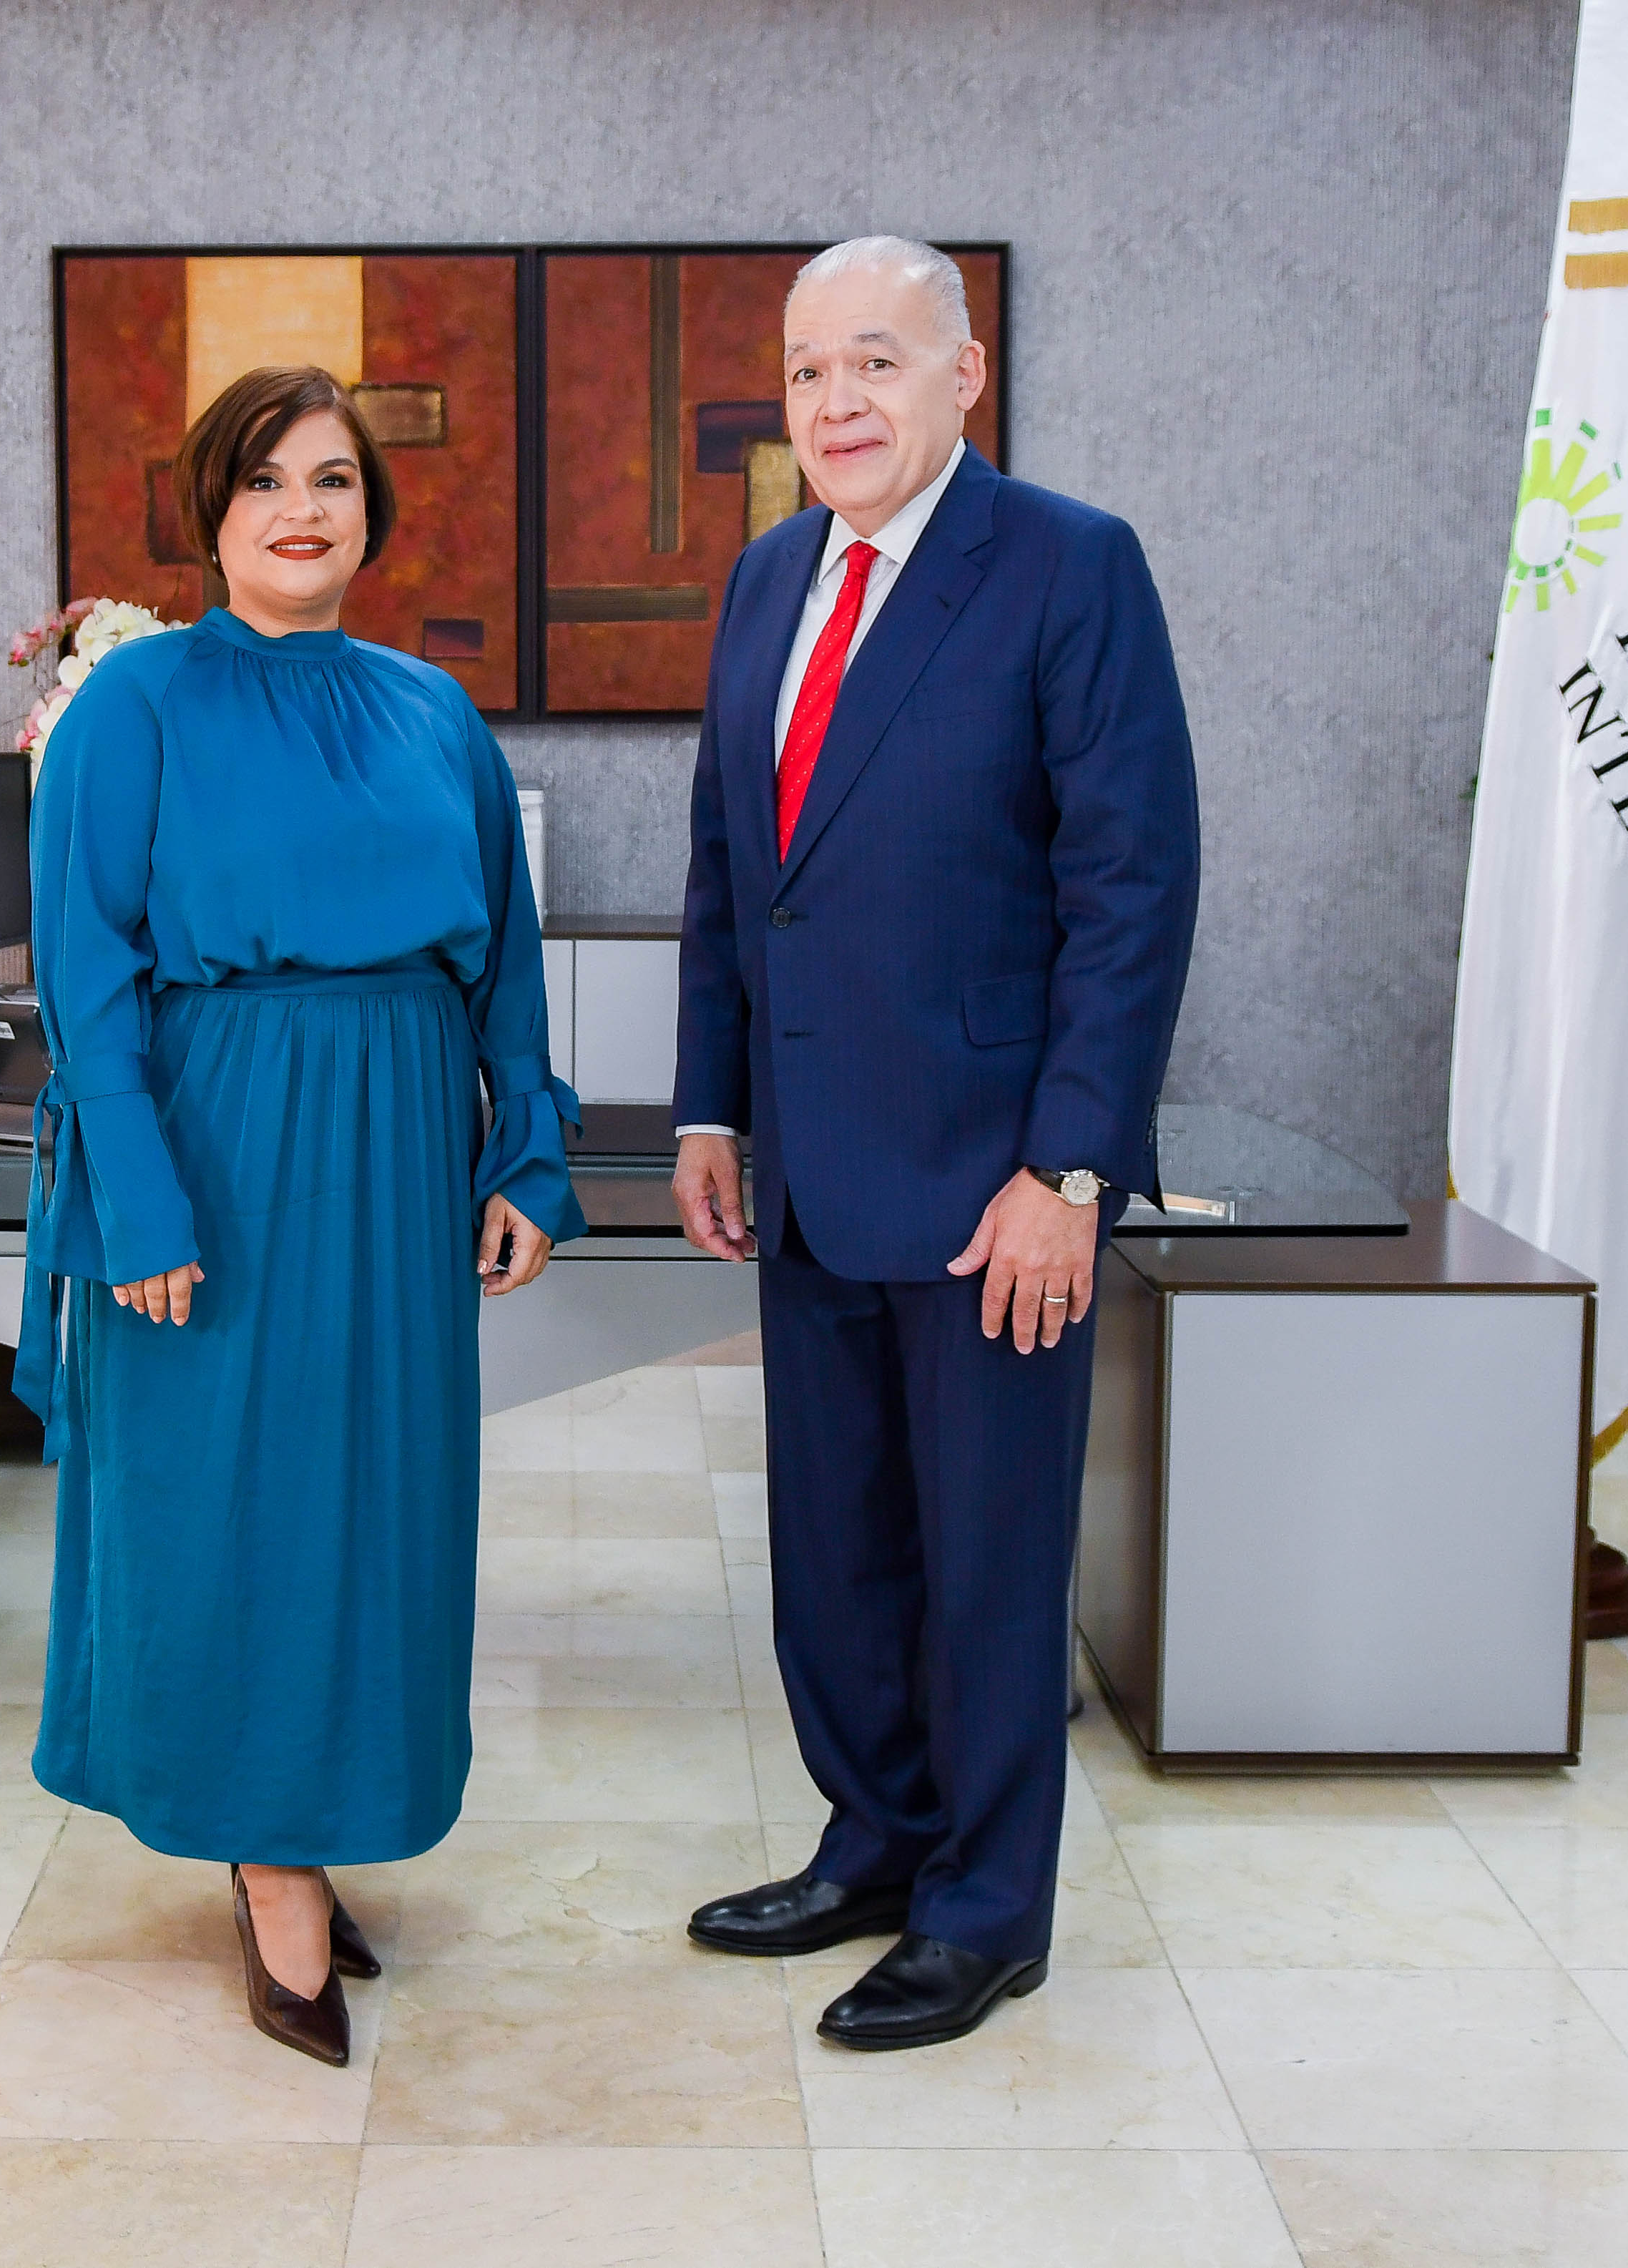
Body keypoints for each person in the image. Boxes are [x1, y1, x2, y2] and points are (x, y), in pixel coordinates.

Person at [14, 363, 585, 2068]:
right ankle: (267, 1861)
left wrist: (525, 1153)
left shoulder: (430, 712)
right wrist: (137, 1195)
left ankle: (317, 1819)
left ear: (368, 513)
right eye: (265, 479)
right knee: (228, 1504)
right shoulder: (132, 706)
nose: (300, 509)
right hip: (219, 1145)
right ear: (212, 510)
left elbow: (503, 960)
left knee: (370, 1507)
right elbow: (83, 971)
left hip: (397, 1156)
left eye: (332, 479)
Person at [672, 238, 1197, 2049]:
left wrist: (1068, 1173)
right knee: (835, 1555)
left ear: (962, 377)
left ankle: (985, 1911)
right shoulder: (765, 577)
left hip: (991, 1187)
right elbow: (732, 872)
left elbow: (1130, 888)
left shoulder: (1066, 564)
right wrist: (710, 1106)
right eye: (807, 369)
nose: (835, 402)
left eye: (875, 361)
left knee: (984, 1565)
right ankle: (876, 1842)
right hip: (810, 1176)